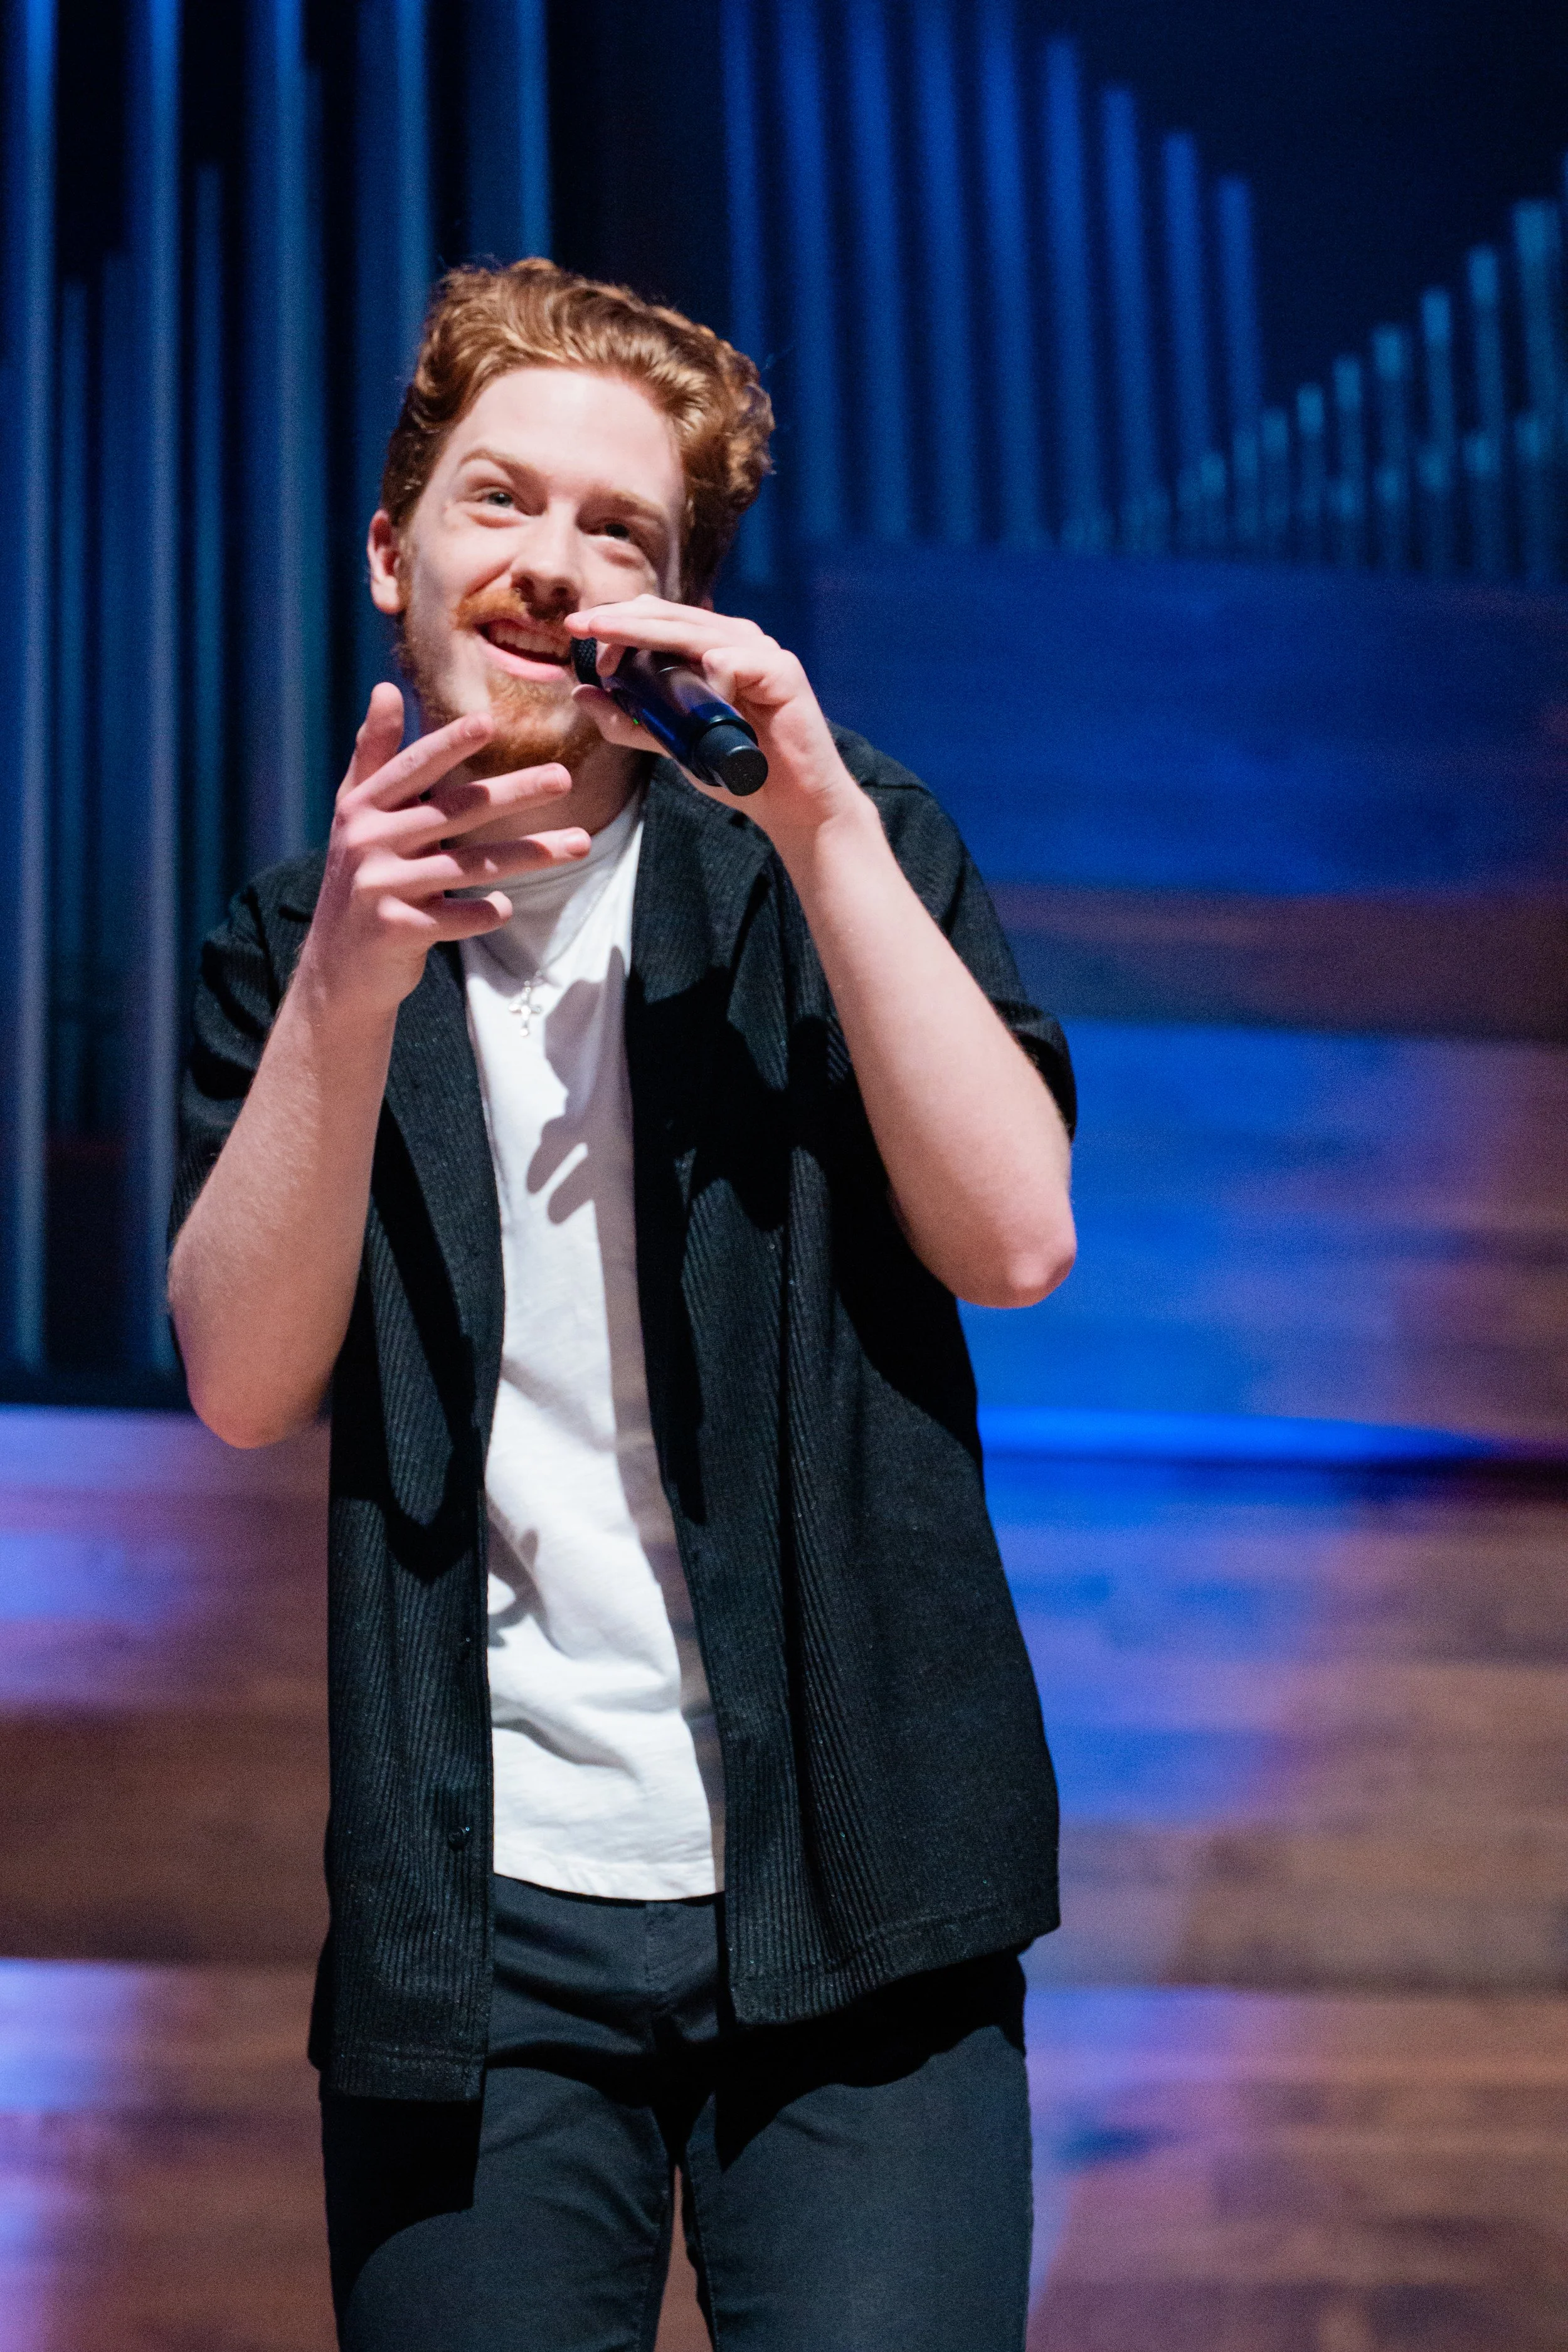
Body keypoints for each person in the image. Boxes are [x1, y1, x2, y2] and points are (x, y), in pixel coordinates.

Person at [169, 258, 1076, 2352]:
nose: (551, 564)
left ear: (673, 599)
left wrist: (822, 811)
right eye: (503, 503)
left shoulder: (832, 865)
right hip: (478, 1921)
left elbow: (1019, 1238)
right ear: (394, 548)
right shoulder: (297, 946)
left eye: (620, 532)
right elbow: (240, 1377)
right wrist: (346, 989)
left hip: (863, 1883)